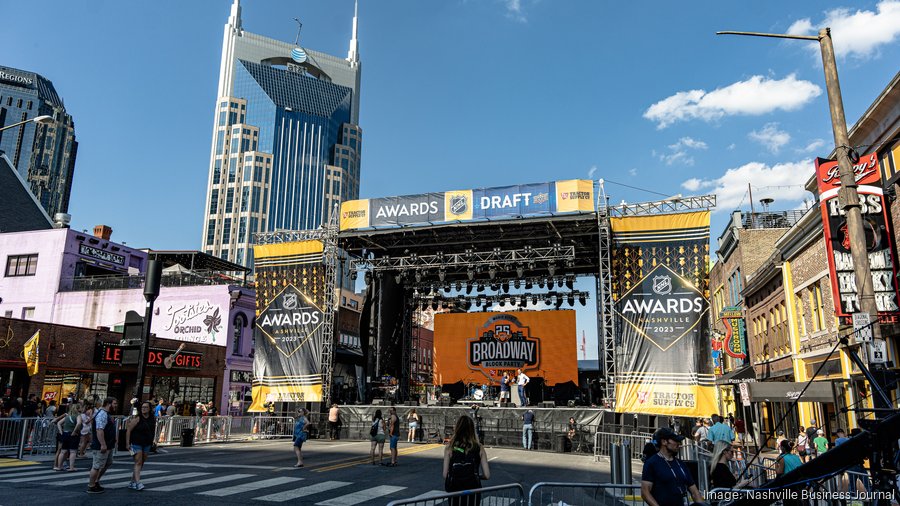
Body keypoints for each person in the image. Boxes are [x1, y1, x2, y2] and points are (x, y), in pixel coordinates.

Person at [640, 428, 704, 506]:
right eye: (675, 440)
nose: (679, 443)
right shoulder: (651, 463)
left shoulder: (681, 464)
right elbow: (645, 493)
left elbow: (694, 492)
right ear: (664, 442)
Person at [443, 415, 490, 506]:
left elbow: (445, 474)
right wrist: (476, 475)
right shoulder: (479, 448)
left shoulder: (449, 447)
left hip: (455, 489)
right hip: (473, 488)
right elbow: (487, 475)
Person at [87, 396, 119, 494]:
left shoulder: (105, 414)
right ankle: (91, 486)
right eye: (114, 404)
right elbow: (99, 430)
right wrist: (103, 444)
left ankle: (96, 481)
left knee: (107, 463)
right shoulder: (102, 414)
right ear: (109, 404)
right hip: (101, 445)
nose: (116, 406)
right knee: (96, 466)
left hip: (109, 444)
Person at [126, 401, 156, 490]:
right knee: (138, 462)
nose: (144, 409)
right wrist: (127, 443)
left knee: (141, 463)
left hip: (147, 443)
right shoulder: (137, 418)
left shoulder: (152, 418)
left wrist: (153, 441)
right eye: (142, 407)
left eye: (146, 407)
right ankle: (138, 483)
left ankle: (132, 482)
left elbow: (152, 430)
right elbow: (128, 430)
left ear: (150, 409)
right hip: (136, 442)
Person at [55, 403, 82, 472]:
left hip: (65, 433)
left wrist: (61, 431)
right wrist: (74, 431)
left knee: (63, 451)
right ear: (78, 409)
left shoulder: (67, 416)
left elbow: (59, 423)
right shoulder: (78, 416)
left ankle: (59, 466)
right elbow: (79, 423)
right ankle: (71, 467)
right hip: (73, 434)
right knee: (73, 451)